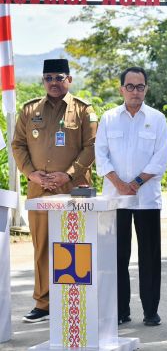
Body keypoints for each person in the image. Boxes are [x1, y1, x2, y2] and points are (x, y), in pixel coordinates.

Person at [12, 59, 97, 323]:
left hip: (74, 190)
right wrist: (30, 173)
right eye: (48, 78)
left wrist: (68, 174)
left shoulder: (83, 110)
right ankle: (43, 302)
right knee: (41, 247)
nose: (53, 83)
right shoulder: (29, 110)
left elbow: (91, 146)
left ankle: (76, 299)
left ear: (69, 80)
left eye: (59, 77)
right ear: (43, 81)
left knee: (75, 245)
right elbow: (18, 145)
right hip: (39, 190)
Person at [95, 67, 167, 326]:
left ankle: (151, 310)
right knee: (117, 257)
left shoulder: (157, 118)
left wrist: (136, 183)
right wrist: (119, 183)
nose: (135, 91)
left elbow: (160, 158)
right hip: (115, 200)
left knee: (149, 257)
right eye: (130, 86)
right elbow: (100, 156)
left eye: (140, 87)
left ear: (146, 89)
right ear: (121, 89)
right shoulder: (109, 118)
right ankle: (120, 310)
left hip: (147, 199)